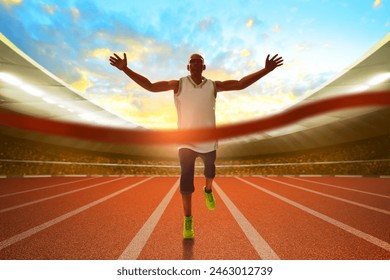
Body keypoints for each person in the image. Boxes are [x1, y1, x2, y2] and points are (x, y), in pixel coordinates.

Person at [109, 52, 283, 239]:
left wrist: (265, 70)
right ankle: (188, 220)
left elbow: (240, 84)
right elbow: (150, 86)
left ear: (204, 67)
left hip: (209, 142)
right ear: (188, 67)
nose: (195, 63)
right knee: (186, 180)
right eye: (192, 61)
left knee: (210, 172)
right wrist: (125, 69)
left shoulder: (213, 86)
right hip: (186, 142)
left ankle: (208, 190)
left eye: (199, 61)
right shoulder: (178, 85)